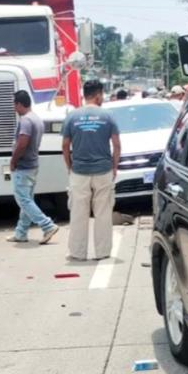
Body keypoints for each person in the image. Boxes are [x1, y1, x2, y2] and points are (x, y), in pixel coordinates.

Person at [62, 79, 121, 260]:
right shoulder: (108, 116)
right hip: (103, 171)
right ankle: (102, 252)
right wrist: (114, 166)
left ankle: (77, 253)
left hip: (79, 172)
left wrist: (70, 166)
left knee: (78, 213)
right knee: (103, 213)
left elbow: (65, 146)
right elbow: (117, 145)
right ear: (98, 95)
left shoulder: (72, 117)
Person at [8, 91, 59, 245]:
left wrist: (13, 160)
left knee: (23, 199)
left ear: (19, 104)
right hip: (32, 164)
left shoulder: (25, 120)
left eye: (14, 104)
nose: (13, 108)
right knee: (27, 200)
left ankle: (47, 225)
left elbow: (22, 143)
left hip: (24, 166)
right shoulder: (36, 118)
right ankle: (21, 232)